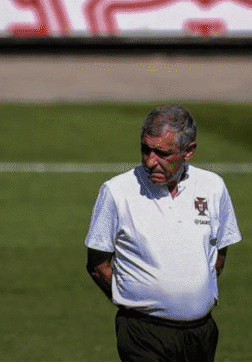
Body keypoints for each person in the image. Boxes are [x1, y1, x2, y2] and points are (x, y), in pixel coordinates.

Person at [85, 104, 242, 362]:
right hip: (143, 334)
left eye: (162, 153)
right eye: (145, 149)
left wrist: (193, 295)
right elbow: (97, 264)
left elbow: (219, 253)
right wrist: (135, 301)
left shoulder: (213, 186)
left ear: (188, 151)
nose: (150, 161)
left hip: (200, 333)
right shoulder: (116, 191)